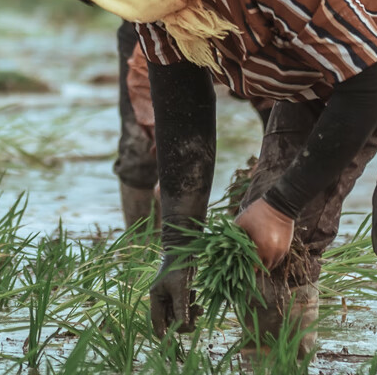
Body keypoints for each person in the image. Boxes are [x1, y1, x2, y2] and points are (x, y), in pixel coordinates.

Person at [44, 0, 377, 355]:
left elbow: (372, 78)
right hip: (339, 53)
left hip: (367, 46)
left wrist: (285, 204)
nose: (126, 9)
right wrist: (177, 251)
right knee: (268, 242)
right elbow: (184, 118)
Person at [114, 21, 272, 230]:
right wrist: (168, 162)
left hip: (250, 26)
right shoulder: (153, 41)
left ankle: (276, 241)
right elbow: (148, 96)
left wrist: (271, 165)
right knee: (140, 151)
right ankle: (140, 249)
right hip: (158, 17)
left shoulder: (263, 22)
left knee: (283, 145)